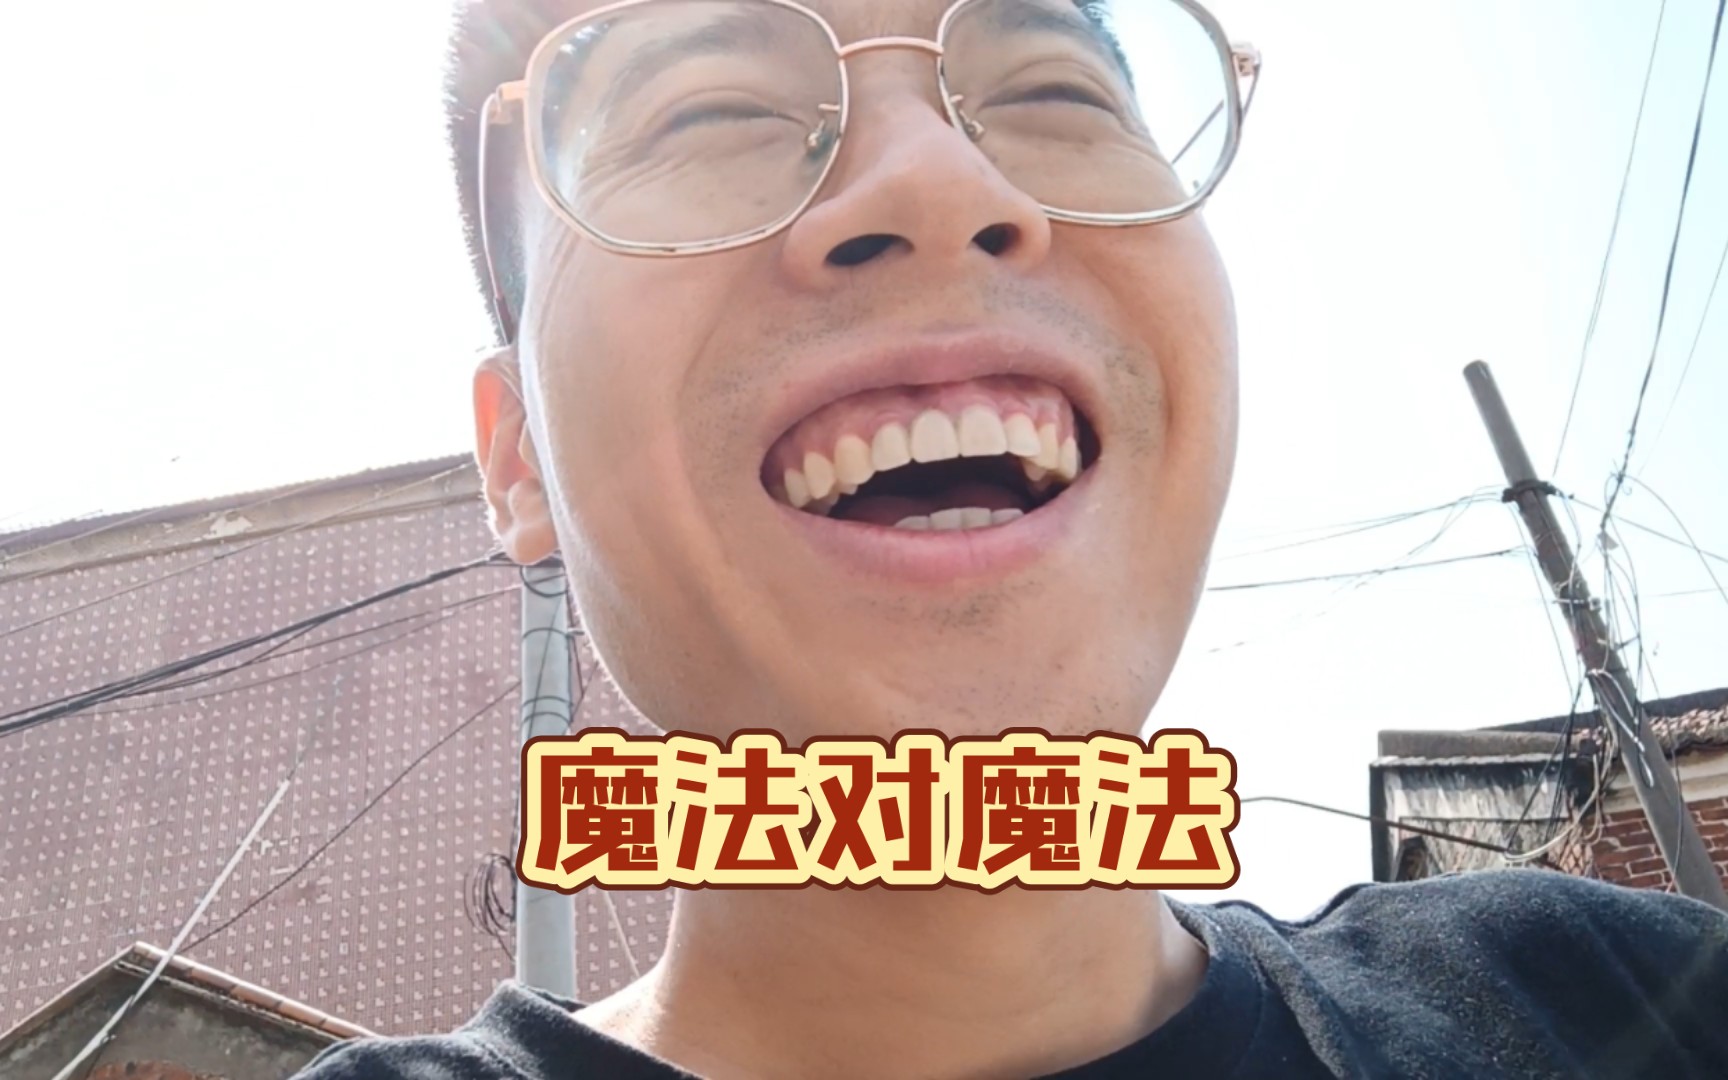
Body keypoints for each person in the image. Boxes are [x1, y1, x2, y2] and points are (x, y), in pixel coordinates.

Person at [298, 0, 1728, 1076]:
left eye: (1049, 90)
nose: (943, 183)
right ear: (520, 460)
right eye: (710, 114)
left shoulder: (1629, 1005)